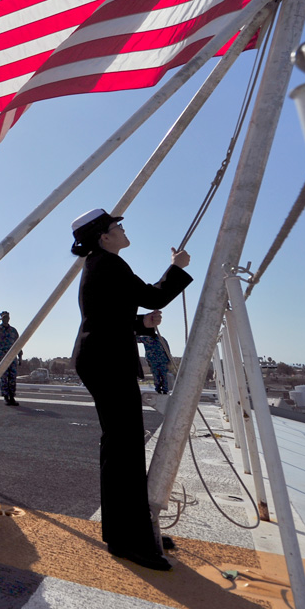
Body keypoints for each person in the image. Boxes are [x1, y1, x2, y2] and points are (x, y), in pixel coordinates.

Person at [70, 209, 192, 571]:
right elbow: (153, 295)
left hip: (101, 357)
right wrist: (178, 266)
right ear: (104, 237)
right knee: (123, 447)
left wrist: (140, 322)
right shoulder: (108, 264)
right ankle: (128, 538)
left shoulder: (101, 265)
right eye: (116, 226)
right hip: (106, 361)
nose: (122, 229)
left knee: (122, 444)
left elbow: (110, 313)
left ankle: (131, 529)